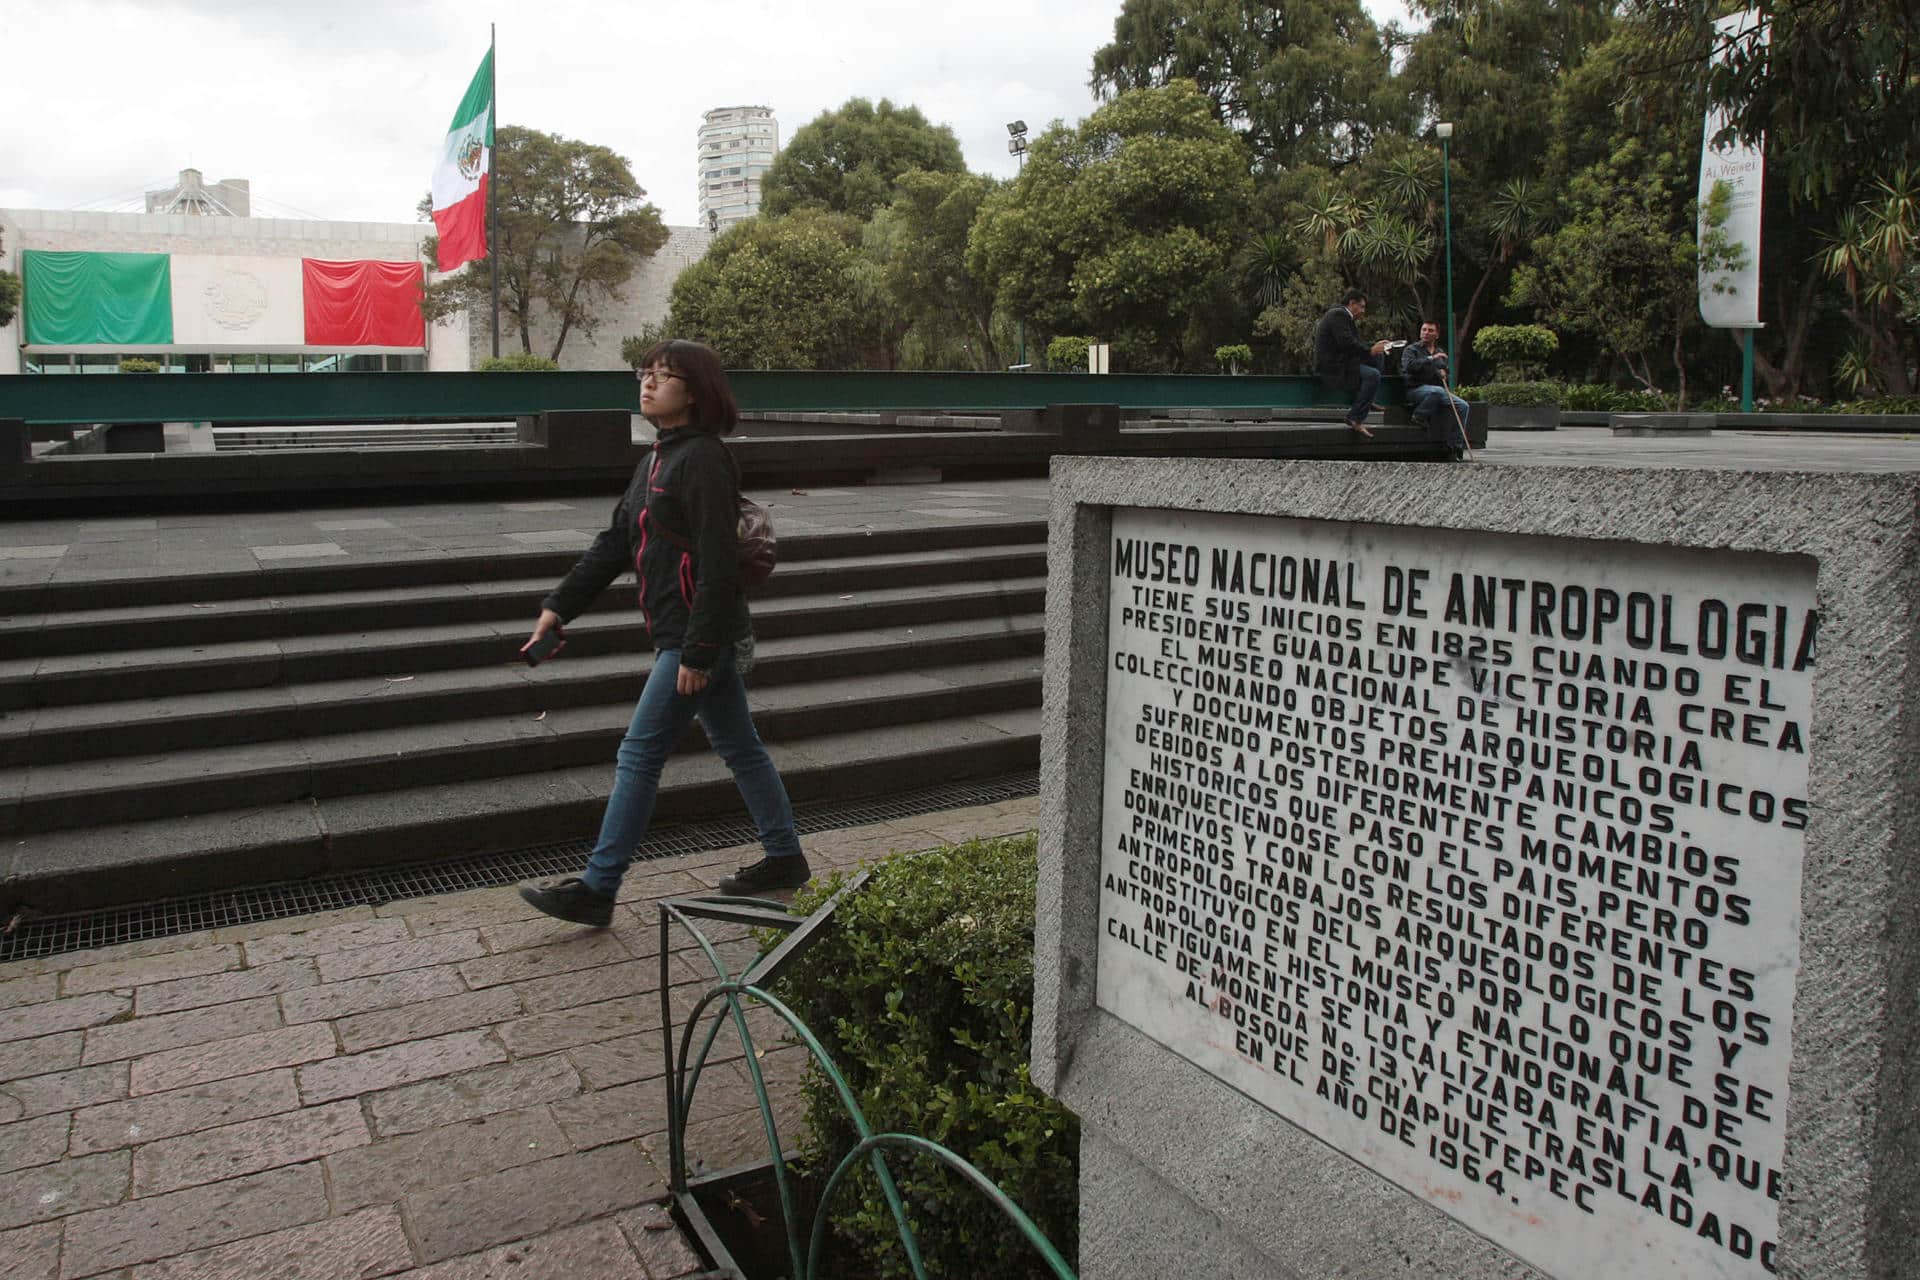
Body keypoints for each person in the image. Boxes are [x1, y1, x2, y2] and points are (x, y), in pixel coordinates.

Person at [516, 339, 809, 927]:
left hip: (698, 636)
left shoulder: (703, 458)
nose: (648, 384)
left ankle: (598, 888)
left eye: (664, 376)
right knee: (739, 745)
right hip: (689, 633)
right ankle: (784, 857)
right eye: (645, 373)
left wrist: (698, 652)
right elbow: (615, 544)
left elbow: (719, 563)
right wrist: (559, 608)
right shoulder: (655, 460)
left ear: (695, 393)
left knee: (640, 752)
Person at [1313, 289, 1392, 437]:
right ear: (1352, 303)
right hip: (1334, 365)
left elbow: (1356, 343)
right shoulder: (1338, 315)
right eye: (1361, 307)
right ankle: (1355, 418)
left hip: (1344, 361)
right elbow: (1347, 344)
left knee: (1379, 356)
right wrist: (1370, 350)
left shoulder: (1344, 316)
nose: (1363, 311)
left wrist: (1375, 347)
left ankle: (1368, 397)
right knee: (1373, 375)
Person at [1401, 320, 1471, 461]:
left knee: (1463, 406)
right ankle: (1419, 415)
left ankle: (1455, 445)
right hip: (1415, 390)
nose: (1426, 333)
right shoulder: (1411, 350)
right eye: (1424, 330)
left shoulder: (1440, 352)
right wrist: (1431, 359)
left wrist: (1444, 373)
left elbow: (1443, 372)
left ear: (1437, 335)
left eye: (1430, 330)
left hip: (1436, 392)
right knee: (1437, 391)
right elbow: (1409, 367)